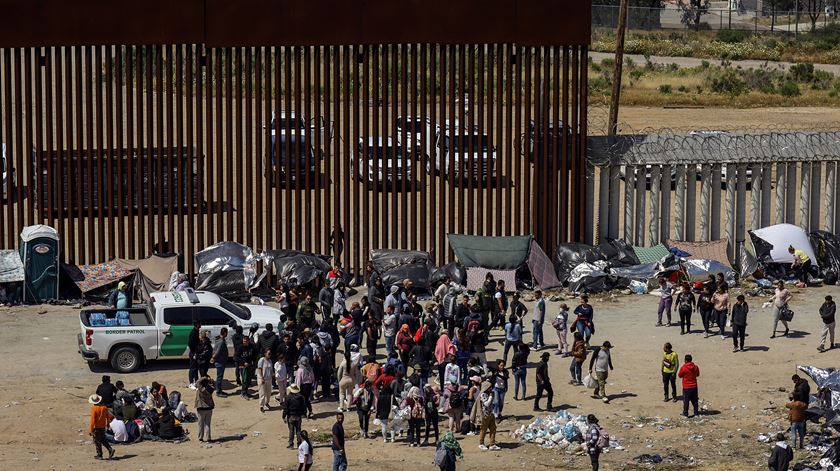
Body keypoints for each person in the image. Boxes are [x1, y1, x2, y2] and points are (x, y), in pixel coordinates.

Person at [88, 394, 115, 460]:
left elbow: (93, 420)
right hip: (103, 426)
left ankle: (100, 455)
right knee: (102, 439)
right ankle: (110, 449)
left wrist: (90, 430)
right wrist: (108, 424)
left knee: (97, 441)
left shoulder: (94, 409)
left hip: (97, 427)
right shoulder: (104, 407)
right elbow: (107, 417)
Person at [478, 382, 500, 450]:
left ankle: (492, 444)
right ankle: (481, 443)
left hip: (491, 414)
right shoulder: (482, 395)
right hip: (485, 415)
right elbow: (486, 404)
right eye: (489, 387)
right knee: (483, 430)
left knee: (493, 429)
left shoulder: (490, 394)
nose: (491, 388)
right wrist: (490, 397)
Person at [284, 384, 307, 449]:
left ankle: (291, 444)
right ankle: (299, 444)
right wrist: (304, 413)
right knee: (298, 430)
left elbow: (285, 408)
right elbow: (304, 407)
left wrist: (283, 416)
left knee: (291, 431)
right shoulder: (301, 397)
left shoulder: (288, 397)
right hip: (298, 416)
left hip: (291, 416)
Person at [195, 375, 215, 442]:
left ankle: (200, 437)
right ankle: (208, 438)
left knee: (201, 423)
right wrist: (209, 380)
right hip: (209, 408)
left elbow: (197, 382)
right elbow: (213, 383)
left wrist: (204, 378)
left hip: (201, 408)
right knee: (207, 424)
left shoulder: (201, 389)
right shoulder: (211, 388)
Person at [211, 327, 229, 397]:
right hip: (220, 362)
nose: (227, 334)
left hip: (220, 361)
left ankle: (220, 390)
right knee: (219, 378)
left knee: (219, 377)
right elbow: (218, 351)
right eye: (226, 333)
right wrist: (213, 357)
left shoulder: (219, 339)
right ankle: (218, 392)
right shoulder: (221, 341)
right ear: (224, 333)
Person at [188, 320, 202, 388]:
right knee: (192, 368)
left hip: (195, 352)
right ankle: (191, 382)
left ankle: (196, 380)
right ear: (197, 325)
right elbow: (190, 344)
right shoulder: (193, 333)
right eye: (199, 324)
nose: (200, 325)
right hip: (193, 352)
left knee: (196, 368)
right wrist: (194, 353)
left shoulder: (196, 331)